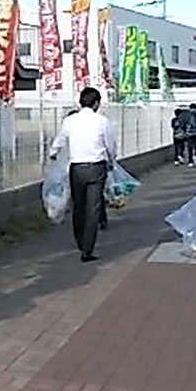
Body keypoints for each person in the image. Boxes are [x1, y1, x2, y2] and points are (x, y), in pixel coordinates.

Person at [49, 87, 117, 262]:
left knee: (79, 206)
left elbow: (60, 139)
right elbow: (110, 146)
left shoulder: (70, 121)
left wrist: (53, 152)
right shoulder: (102, 121)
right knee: (93, 208)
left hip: (76, 168)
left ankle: (80, 240)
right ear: (96, 103)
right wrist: (111, 162)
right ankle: (87, 249)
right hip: (96, 167)